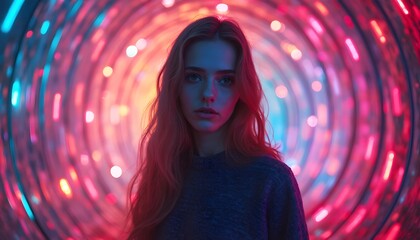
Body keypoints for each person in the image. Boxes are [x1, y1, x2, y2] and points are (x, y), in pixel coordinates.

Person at [126, 16, 309, 240]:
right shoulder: (165, 173)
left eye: (225, 80)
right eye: (193, 77)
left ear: (242, 89)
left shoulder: (270, 180)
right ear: (176, 85)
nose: (208, 94)